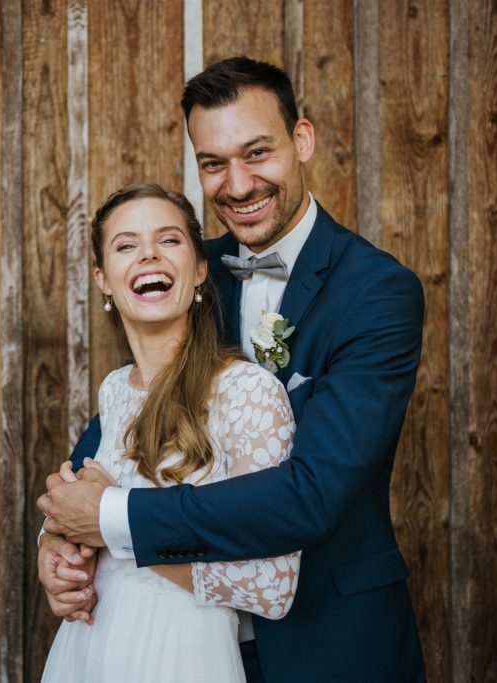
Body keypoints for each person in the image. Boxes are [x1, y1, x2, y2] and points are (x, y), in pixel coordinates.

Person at [38, 56, 427, 682]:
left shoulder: (377, 292)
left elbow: (311, 494)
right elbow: (121, 431)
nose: (239, 185)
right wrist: (59, 539)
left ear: (302, 140)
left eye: (257, 153)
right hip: (182, 641)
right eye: (213, 163)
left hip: (329, 640)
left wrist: (111, 518)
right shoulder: (188, 268)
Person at [41, 182, 301, 682]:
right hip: (91, 645)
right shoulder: (115, 390)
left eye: (168, 240)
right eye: (126, 245)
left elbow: (272, 588)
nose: (148, 254)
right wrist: (59, 547)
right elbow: (81, 510)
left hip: (183, 655)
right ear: (103, 280)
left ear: (200, 269)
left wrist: (114, 530)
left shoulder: (247, 393)